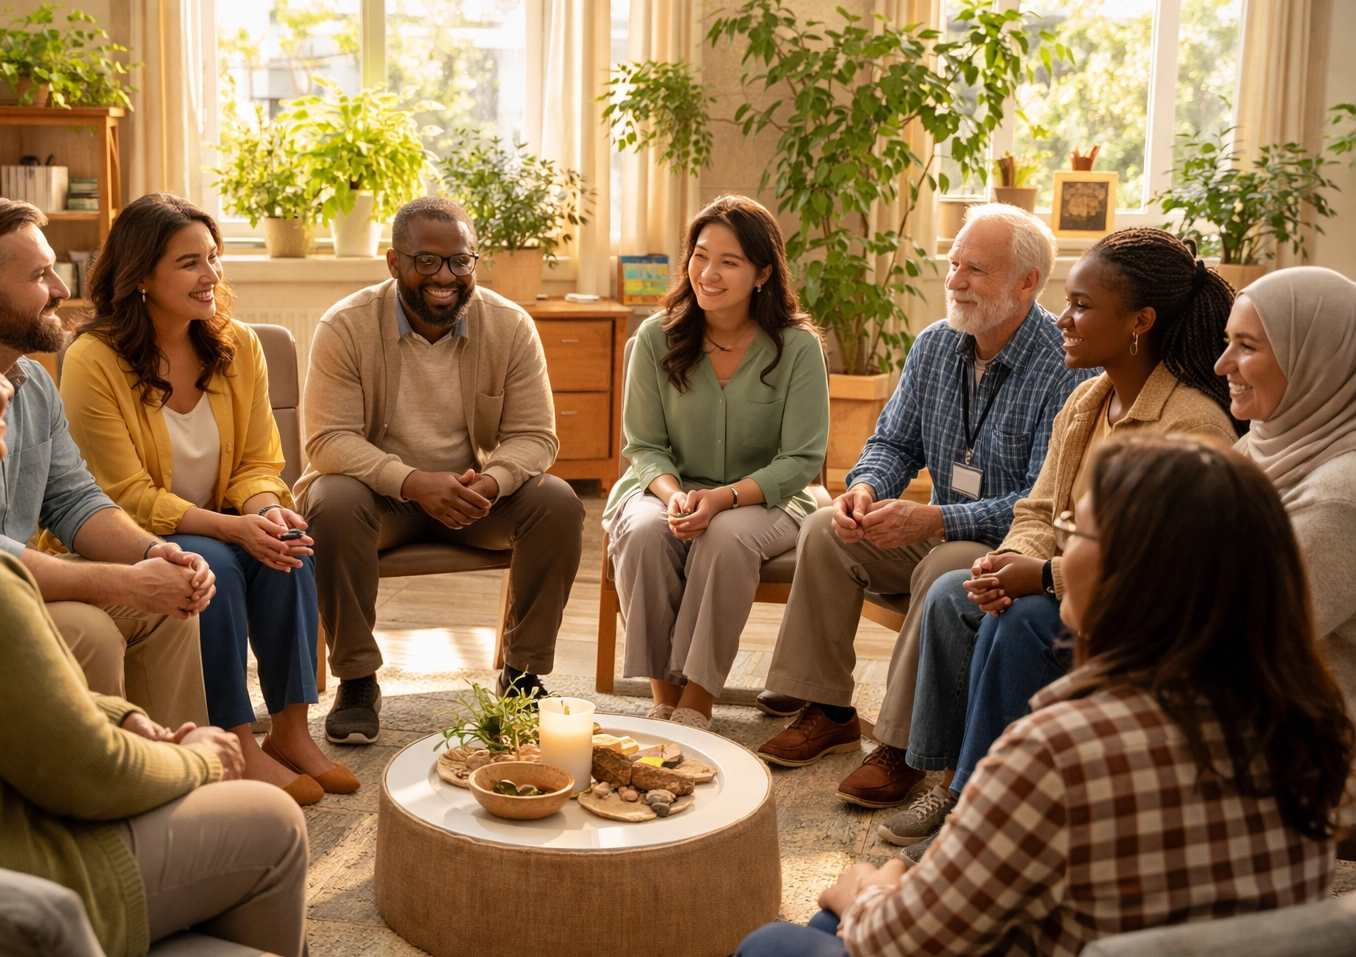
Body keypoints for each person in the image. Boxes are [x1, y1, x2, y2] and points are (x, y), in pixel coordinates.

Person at [717, 434, 1353, 957]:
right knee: (831, 937)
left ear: (1137, 572)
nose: (1061, 550)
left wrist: (864, 890)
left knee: (775, 947)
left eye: (1075, 530)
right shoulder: (1309, 728)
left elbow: (907, 950)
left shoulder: (1058, 751)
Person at [0, 265, 314, 957]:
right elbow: (93, 779)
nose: (6, 386)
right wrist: (201, 757)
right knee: (268, 823)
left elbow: (7, 698)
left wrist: (119, 715)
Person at [887, 228, 1238, 860]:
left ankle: (980, 817)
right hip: (1075, 583)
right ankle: (958, 786)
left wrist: (1041, 577)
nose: (1062, 320)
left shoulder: (1190, 423)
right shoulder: (1087, 400)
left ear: (1140, 321)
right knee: (968, 595)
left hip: (1144, 616)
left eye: (1079, 305)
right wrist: (1012, 558)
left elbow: (1159, 569)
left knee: (1022, 619)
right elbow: (1039, 507)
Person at [754, 204, 1091, 798]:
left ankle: (904, 744)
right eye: (953, 263)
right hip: (932, 523)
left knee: (942, 564)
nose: (955, 280)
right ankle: (827, 711)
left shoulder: (1062, 370)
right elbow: (892, 442)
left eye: (975, 270)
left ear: (1028, 283)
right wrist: (865, 490)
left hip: (1002, 548)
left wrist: (935, 516)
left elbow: (1038, 499)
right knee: (828, 527)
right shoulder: (936, 344)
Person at [62, 193, 351, 806]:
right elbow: (121, 496)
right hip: (129, 534)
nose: (211, 275)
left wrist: (262, 511)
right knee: (213, 563)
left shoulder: (238, 345)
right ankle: (237, 741)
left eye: (214, 258)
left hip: (217, 522)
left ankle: (292, 732)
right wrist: (228, 531)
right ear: (140, 276)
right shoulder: (93, 360)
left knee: (289, 544)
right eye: (190, 263)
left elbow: (256, 463)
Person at [0, 197, 215, 730]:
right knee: (92, 628)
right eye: (40, 275)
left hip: (11, 582)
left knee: (169, 611)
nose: (61, 289)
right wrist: (126, 582)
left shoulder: (33, 385)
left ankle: (179, 779)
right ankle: (100, 794)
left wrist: (154, 553)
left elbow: (75, 500)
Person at [296, 196, 584, 746]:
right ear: (394, 262)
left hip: (475, 495)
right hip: (381, 500)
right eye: (426, 261)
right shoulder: (346, 326)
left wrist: (493, 481)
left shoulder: (510, 326)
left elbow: (535, 436)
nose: (445, 276)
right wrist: (412, 482)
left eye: (460, 261)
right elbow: (328, 441)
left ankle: (522, 676)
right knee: (331, 501)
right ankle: (357, 679)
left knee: (557, 503)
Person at [604, 195, 828, 730]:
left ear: (762, 273)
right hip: (665, 488)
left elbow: (801, 458)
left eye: (729, 262)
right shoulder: (655, 338)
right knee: (644, 532)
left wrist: (724, 497)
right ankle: (664, 698)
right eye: (701, 256)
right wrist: (673, 494)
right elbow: (643, 445)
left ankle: (698, 703)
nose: (709, 273)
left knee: (724, 537)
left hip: (765, 497)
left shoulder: (797, 347)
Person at [1219, 267, 1356, 702]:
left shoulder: (1339, 498)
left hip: (1307, 750)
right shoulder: (1257, 447)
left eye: (1247, 346)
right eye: (1228, 341)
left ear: (1317, 358)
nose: (1222, 364)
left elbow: (1240, 639)